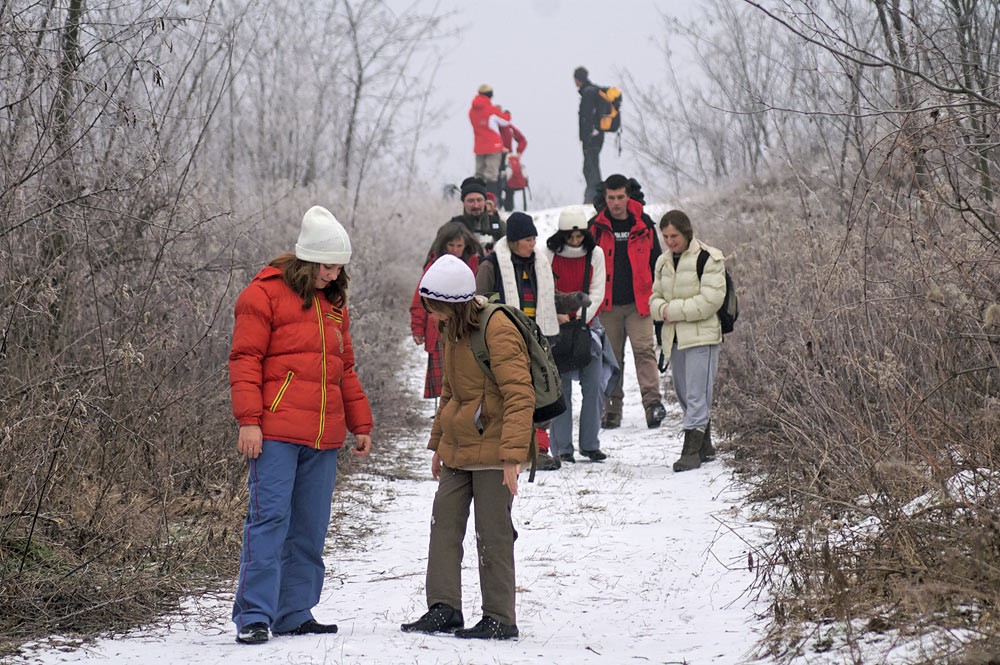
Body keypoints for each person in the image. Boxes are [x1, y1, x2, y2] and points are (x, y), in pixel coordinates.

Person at [228, 205, 374, 645]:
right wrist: (249, 421)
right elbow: (245, 360)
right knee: (269, 521)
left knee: (310, 526)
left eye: (338, 268)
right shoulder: (262, 295)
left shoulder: (334, 303)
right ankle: (254, 614)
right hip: (275, 432)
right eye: (327, 266)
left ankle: (293, 611)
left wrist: (360, 423)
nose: (333, 274)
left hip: (323, 436)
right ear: (307, 259)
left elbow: (345, 368)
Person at [400, 254, 531, 641]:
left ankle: (500, 617)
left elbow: (519, 393)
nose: (432, 316)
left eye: (436, 308)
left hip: (494, 447)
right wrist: (438, 444)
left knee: (493, 533)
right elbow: (450, 391)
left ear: (454, 303)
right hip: (458, 446)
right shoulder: (451, 329)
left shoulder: (497, 328)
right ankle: (444, 608)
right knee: (443, 524)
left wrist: (512, 456)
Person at [475, 212, 562, 471]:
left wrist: (572, 301)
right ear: (513, 241)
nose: (533, 244)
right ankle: (509, 449)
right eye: (527, 239)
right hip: (505, 341)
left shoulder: (539, 264)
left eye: (534, 239)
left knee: (541, 396)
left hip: (537, 340)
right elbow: (479, 301)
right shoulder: (491, 265)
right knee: (514, 397)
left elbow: (550, 297)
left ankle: (539, 449)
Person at [588, 173, 667, 430]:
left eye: (620, 197)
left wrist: (660, 297)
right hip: (607, 305)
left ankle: (653, 405)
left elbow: (658, 263)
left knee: (644, 352)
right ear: (605, 198)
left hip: (639, 303)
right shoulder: (595, 226)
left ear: (628, 196)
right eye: (611, 198)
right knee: (612, 358)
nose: (616, 203)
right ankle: (611, 409)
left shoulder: (643, 223)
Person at [649, 210, 726, 472]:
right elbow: (654, 299)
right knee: (683, 393)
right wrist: (662, 309)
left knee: (696, 393)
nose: (670, 241)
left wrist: (671, 311)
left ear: (686, 233)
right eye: (665, 236)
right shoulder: (663, 262)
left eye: (674, 236)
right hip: (675, 339)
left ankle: (691, 450)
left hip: (702, 337)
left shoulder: (709, 258)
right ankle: (704, 445)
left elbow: (710, 301)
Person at [543, 205, 607, 462]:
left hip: (586, 325)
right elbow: (544, 288)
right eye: (570, 236)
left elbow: (598, 290)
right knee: (561, 388)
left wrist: (581, 316)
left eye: (580, 235)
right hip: (556, 326)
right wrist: (557, 315)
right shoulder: (548, 254)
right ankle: (562, 447)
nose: (575, 240)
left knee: (594, 385)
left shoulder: (595, 254)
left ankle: (590, 444)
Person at [410, 223, 483, 402]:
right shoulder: (434, 266)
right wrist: (418, 328)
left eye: (459, 245)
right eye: (451, 245)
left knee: (466, 381)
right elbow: (420, 299)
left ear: (466, 245)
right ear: (443, 245)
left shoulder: (476, 263)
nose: (455, 250)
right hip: (438, 331)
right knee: (444, 386)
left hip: (467, 328)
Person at [469, 84, 509, 202]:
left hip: (479, 146)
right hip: (493, 146)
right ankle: (491, 201)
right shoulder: (491, 110)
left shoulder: (471, 111)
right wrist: (507, 113)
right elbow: (505, 121)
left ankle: (477, 200)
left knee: (479, 175)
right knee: (491, 175)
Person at [447, 176, 506, 247]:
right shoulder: (452, 227)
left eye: (479, 200)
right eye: (471, 201)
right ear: (463, 203)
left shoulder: (499, 226)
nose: (476, 205)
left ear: (485, 201)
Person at [574, 66, 604, 205]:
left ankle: (594, 198)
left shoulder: (588, 94)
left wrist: (586, 137)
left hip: (591, 137)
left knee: (590, 167)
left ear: (577, 79)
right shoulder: (593, 91)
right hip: (596, 136)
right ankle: (595, 196)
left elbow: (587, 118)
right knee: (591, 165)